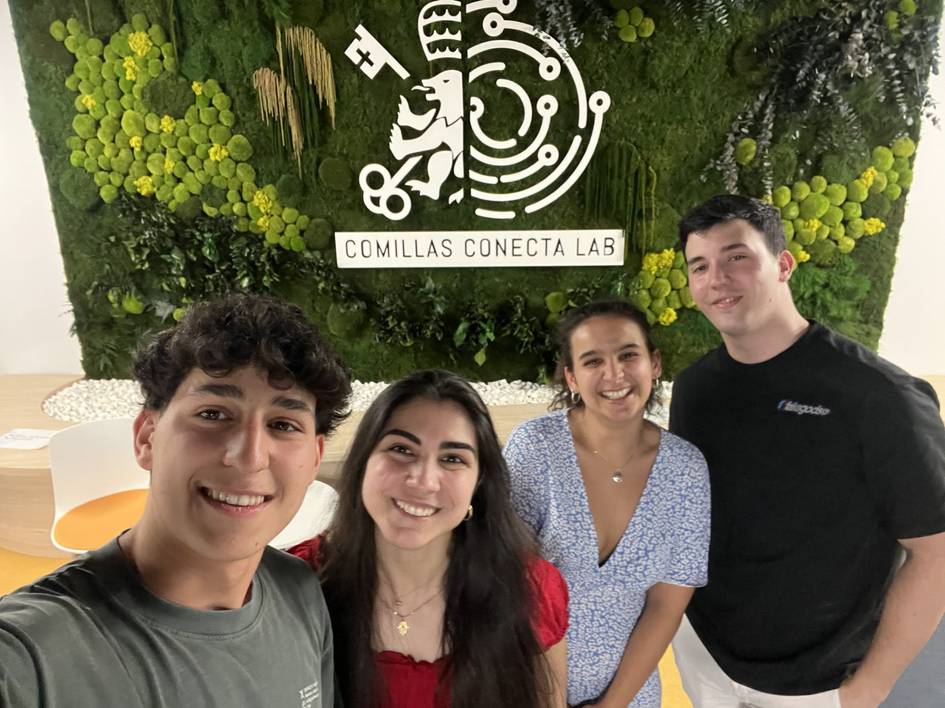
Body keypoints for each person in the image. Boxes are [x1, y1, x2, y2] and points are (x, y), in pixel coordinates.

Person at [0, 294, 351, 707]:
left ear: (313, 457)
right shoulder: (35, 655)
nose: (249, 456)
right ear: (147, 437)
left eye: (283, 424)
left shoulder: (300, 594)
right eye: (213, 414)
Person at [670, 194, 945, 707]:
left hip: (817, 681)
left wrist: (870, 687)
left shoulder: (879, 395)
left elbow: (937, 551)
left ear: (783, 264)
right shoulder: (695, 389)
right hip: (705, 652)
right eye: (700, 266)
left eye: (737, 257)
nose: (717, 279)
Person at [290, 369, 569, 708]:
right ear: (364, 461)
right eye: (401, 449)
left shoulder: (530, 590)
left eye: (452, 459)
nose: (424, 481)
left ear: (478, 484)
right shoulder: (298, 587)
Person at [503, 300, 711, 707]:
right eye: (593, 361)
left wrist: (611, 704)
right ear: (572, 378)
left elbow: (666, 606)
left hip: (629, 693)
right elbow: (508, 582)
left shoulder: (686, 469)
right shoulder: (536, 448)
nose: (614, 374)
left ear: (654, 363)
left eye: (628, 355)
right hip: (528, 684)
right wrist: (550, 697)